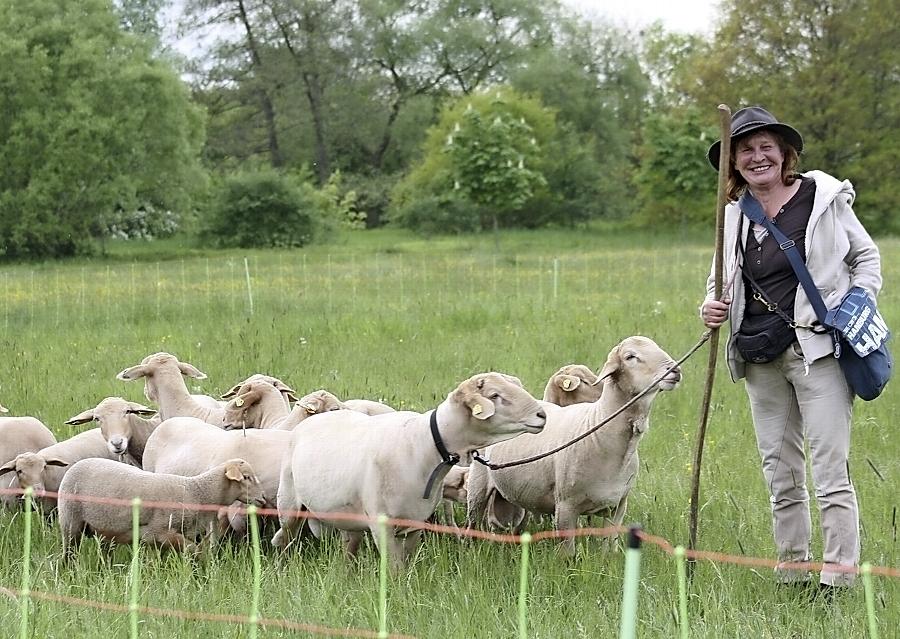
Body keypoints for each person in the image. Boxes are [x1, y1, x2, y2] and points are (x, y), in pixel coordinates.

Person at [699, 106, 882, 593]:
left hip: (818, 354)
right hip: (761, 358)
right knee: (780, 474)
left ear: (785, 154)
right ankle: (793, 571)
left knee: (830, 472)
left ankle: (838, 581)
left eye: (766, 147)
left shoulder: (822, 197)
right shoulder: (735, 216)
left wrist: (858, 303)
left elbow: (865, 256)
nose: (758, 157)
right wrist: (711, 308)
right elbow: (719, 282)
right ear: (734, 165)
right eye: (745, 151)